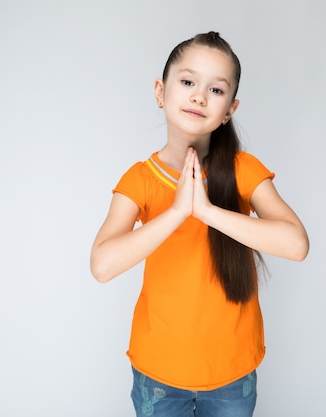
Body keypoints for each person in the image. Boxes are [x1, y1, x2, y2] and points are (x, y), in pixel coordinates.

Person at [90, 31, 309, 417]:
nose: (199, 96)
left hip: (232, 375)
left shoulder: (244, 171)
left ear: (230, 109)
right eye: (188, 82)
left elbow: (296, 244)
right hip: (158, 375)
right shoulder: (140, 179)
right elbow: (102, 265)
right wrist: (176, 212)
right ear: (161, 91)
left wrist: (206, 211)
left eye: (216, 90)